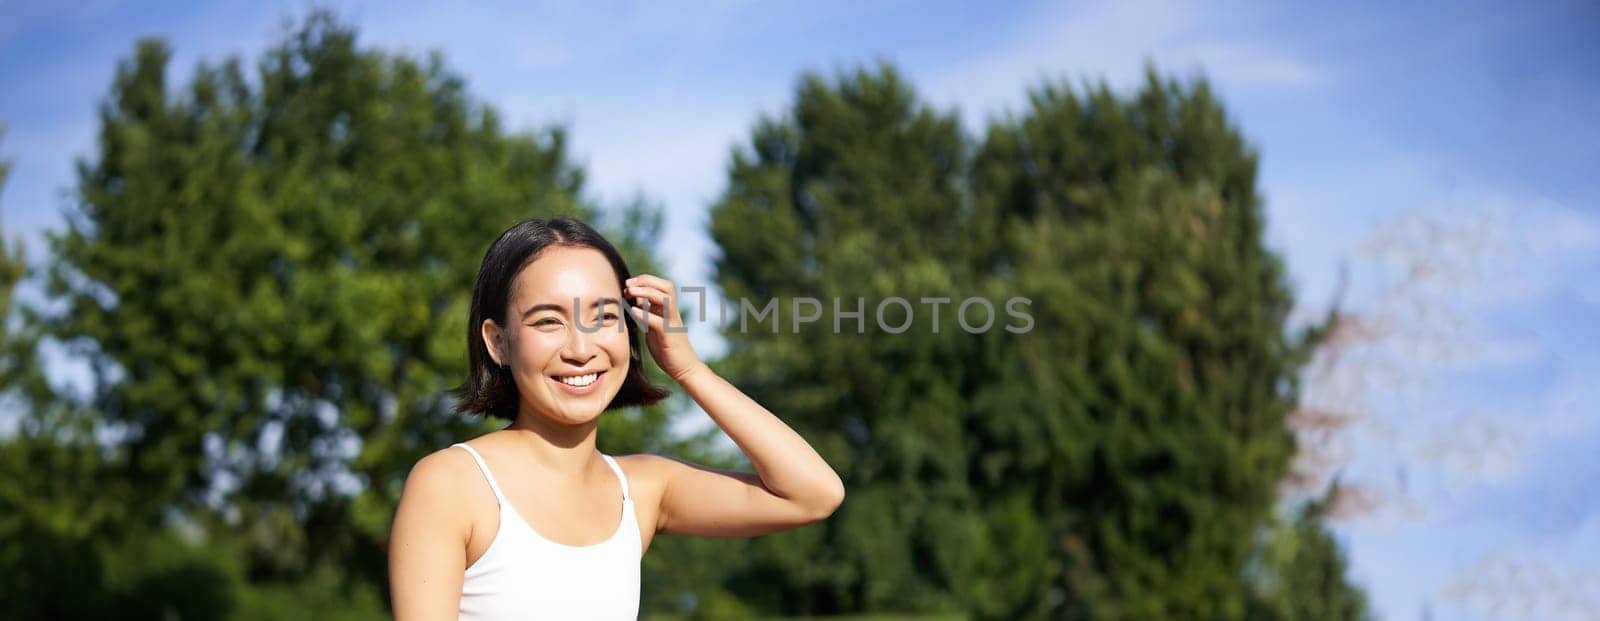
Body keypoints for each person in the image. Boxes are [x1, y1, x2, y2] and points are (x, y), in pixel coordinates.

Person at [387, 217, 845, 620]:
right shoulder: (451, 484)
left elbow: (813, 494)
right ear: (498, 342)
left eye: (604, 318)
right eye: (548, 322)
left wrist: (687, 367)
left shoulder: (643, 491)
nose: (581, 349)